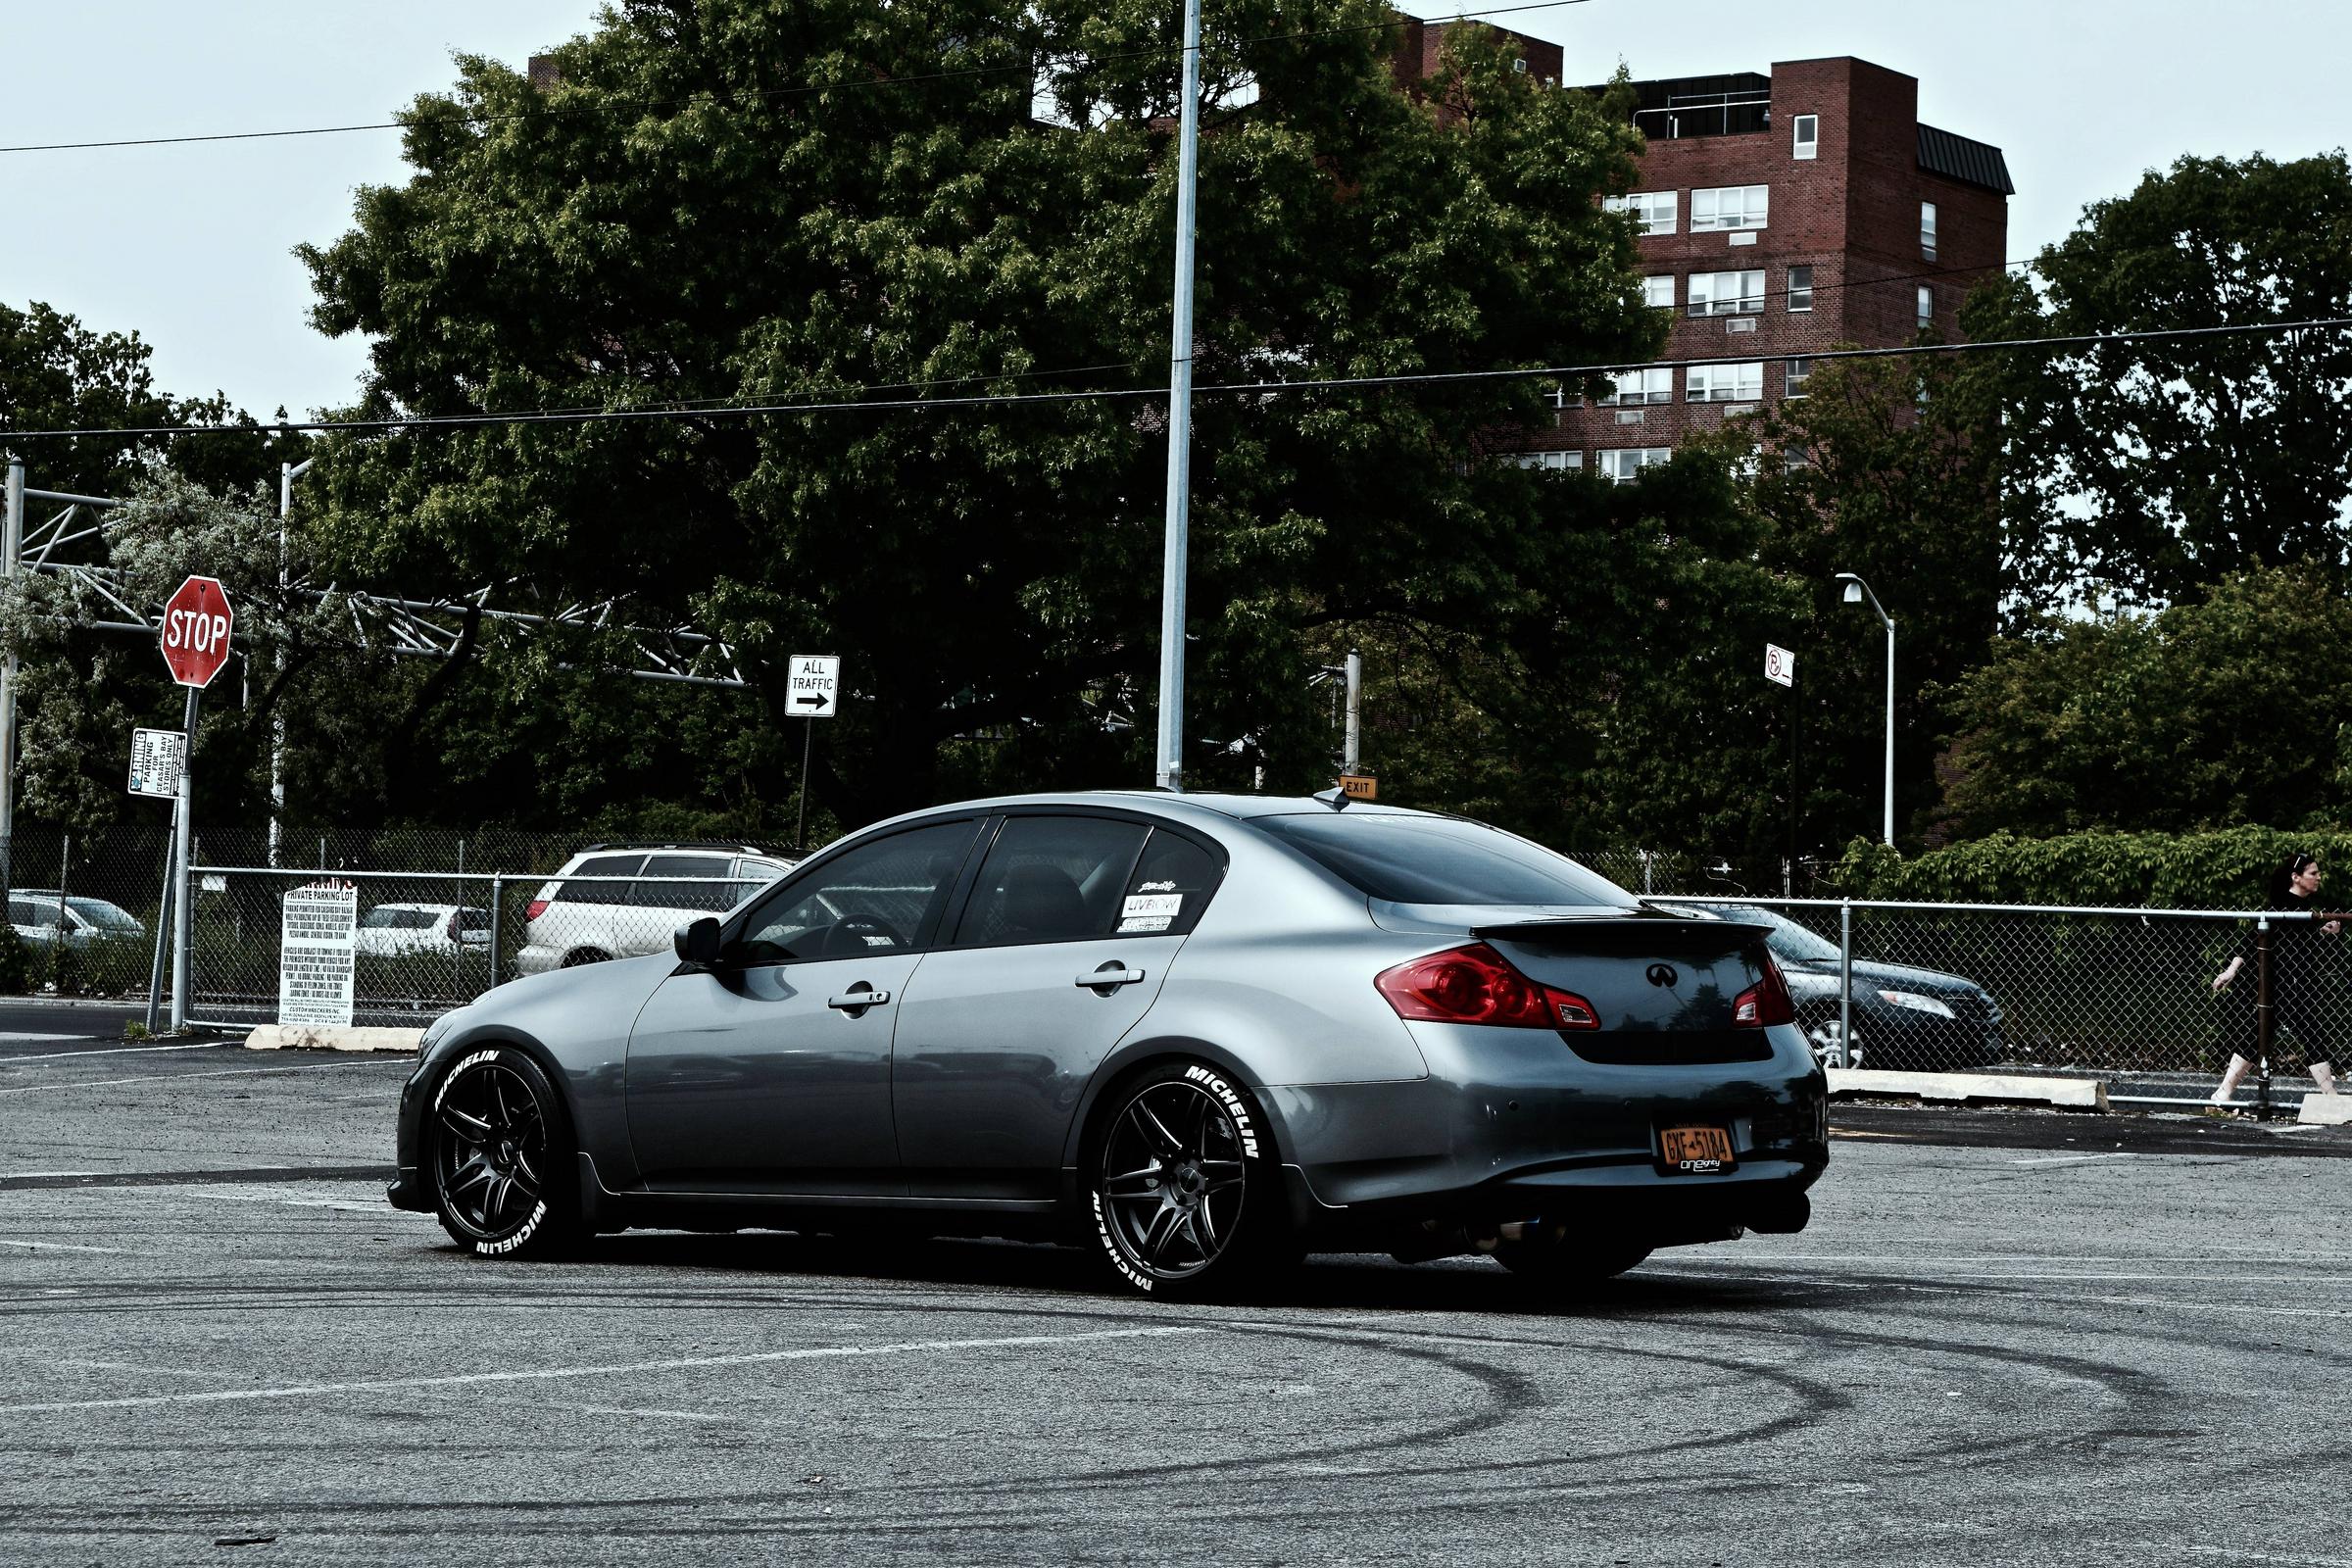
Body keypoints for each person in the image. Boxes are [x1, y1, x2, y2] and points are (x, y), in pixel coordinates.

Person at [2210, 852, 2344, 1104]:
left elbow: (2302, 948)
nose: (2318, 877)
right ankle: (2332, 1098)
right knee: (2309, 1035)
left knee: (2260, 1037)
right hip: (2280, 987)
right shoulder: (2279, 908)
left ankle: (2222, 1094)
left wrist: (2326, 932)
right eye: (2313, 873)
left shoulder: (2304, 909)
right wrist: (2231, 970)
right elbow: (2251, 941)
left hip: (2293, 987)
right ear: (2296, 877)